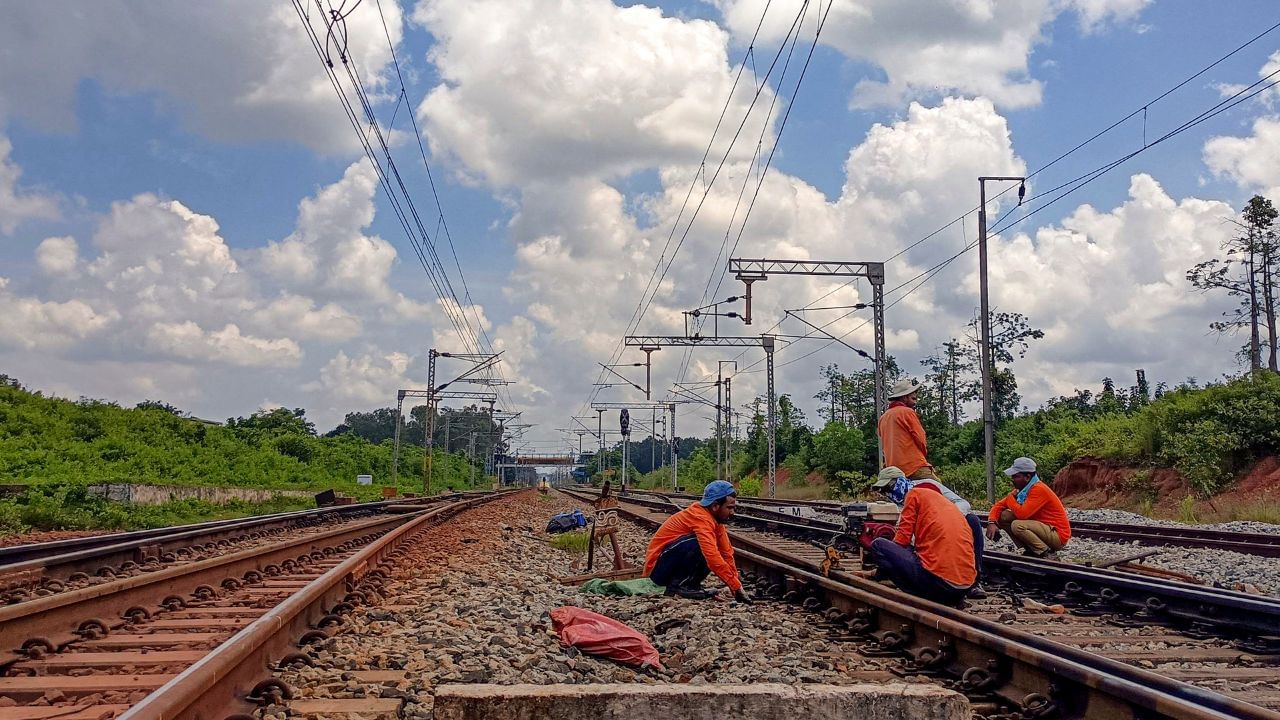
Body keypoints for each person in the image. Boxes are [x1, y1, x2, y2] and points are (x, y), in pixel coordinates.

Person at [854, 473, 976, 606]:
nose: (887, 494)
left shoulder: (914, 495)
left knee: (879, 545)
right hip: (964, 588)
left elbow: (901, 541)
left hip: (939, 584)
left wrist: (880, 571)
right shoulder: (945, 504)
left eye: (888, 489)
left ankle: (913, 594)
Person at [644, 480, 754, 603]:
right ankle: (680, 587)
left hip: (667, 566)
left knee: (711, 546)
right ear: (715, 506)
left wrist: (736, 586)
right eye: (729, 508)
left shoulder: (716, 520)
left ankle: (690, 586)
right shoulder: (700, 517)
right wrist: (735, 585)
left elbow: (726, 553)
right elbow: (712, 557)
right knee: (701, 545)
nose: (732, 512)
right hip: (657, 571)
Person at [986, 457, 1072, 558]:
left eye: (1016, 476)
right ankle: (1030, 548)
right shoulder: (1024, 490)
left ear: (1027, 477)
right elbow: (998, 506)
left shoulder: (1038, 489)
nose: (1013, 480)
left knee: (1017, 525)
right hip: (1043, 529)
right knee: (1003, 515)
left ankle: (1045, 552)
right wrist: (992, 522)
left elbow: (1022, 514)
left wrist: (1010, 499)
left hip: (1058, 536)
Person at [877, 378, 938, 481]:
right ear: (904, 397)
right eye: (913, 395)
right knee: (939, 491)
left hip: (894, 471)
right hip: (914, 466)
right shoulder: (907, 412)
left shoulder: (883, 418)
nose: (915, 397)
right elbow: (920, 439)